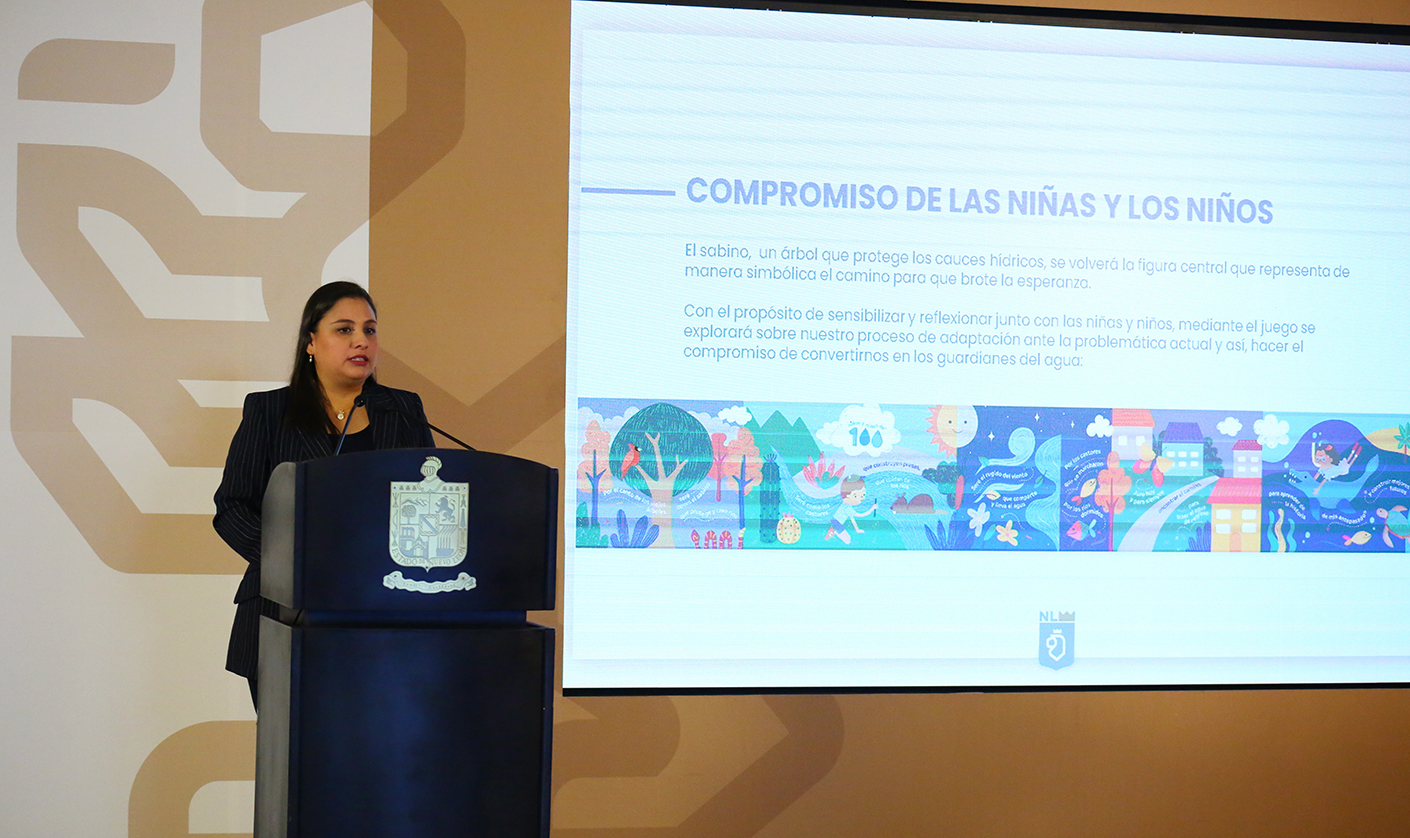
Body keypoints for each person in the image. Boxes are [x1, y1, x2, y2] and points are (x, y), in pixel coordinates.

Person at [213, 281, 434, 706]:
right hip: (285, 613)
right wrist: (289, 561)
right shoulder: (269, 411)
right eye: (344, 329)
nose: (361, 341)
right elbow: (233, 507)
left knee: (377, 742)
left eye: (370, 330)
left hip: (385, 615)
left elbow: (427, 505)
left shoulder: (404, 410)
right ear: (311, 342)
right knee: (293, 745)